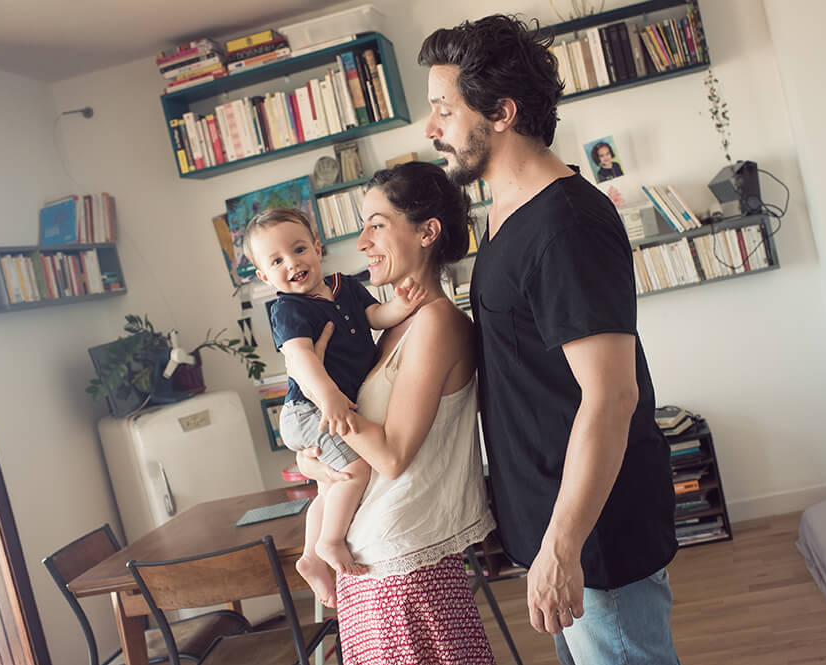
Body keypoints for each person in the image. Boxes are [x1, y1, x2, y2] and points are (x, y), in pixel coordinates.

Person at [419, 15, 679, 665]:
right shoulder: (504, 214)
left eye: (443, 110)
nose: (431, 130)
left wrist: (563, 545)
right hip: (553, 528)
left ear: (501, 112)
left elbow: (611, 396)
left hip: (595, 539)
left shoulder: (566, 224)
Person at [295, 161, 498, 664]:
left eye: (377, 224)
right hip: (372, 559)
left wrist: (325, 397)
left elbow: (389, 456)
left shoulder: (436, 325)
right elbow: (353, 440)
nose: (361, 242)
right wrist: (311, 460)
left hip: (403, 565)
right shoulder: (392, 329)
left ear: (428, 231)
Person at [241, 207, 426, 604]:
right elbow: (302, 359)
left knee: (328, 485)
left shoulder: (346, 286)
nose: (292, 263)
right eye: (276, 261)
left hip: (324, 407)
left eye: (298, 249)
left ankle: (309, 559)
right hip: (308, 409)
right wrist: (329, 399)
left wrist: (402, 306)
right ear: (263, 276)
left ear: (317, 247)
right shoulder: (288, 310)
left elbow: (375, 316)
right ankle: (329, 542)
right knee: (354, 470)